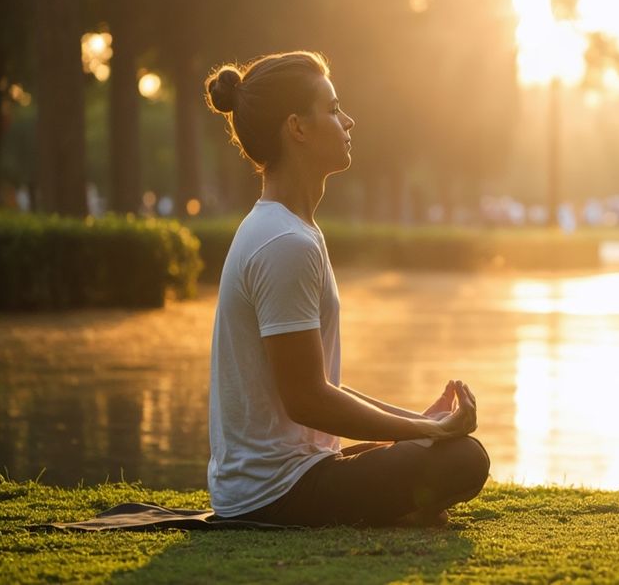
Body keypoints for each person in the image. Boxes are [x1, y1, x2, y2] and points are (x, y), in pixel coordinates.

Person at [204, 51, 489, 528]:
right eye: (333, 109)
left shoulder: (294, 231)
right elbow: (307, 400)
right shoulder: (284, 243)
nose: (348, 121)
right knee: (465, 460)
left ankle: (406, 491)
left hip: (292, 475)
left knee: (443, 447)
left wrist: (420, 425)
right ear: (297, 128)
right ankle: (407, 503)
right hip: (275, 494)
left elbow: (318, 388)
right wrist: (421, 430)